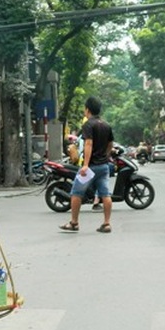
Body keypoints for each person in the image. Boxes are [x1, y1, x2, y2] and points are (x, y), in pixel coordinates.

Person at [59, 96, 114, 233]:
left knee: (76, 193)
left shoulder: (88, 124)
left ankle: (74, 223)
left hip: (90, 167)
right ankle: (106, 224)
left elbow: (88, 143)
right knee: (105, 194)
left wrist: (85, 165)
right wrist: (105, 156)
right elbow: (110, 144)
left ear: (87, 109)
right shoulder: (106, 125)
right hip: (103, 166)